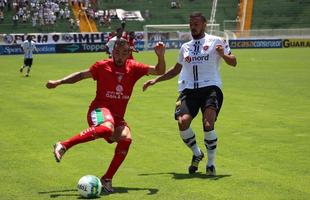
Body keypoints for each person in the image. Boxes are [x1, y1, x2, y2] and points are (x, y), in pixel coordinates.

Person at [46, 38, 166, 192]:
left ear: (129, 53)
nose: (120, 56)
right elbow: (81, 75)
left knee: (126, 138)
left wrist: (160, 56)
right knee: (107, 127)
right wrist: (59, 81)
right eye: (117, 52)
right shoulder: (102, 66)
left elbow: (159, 71)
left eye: (124, 53)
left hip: (117, 117)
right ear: (112, 51)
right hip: (98, 110)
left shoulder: (134, 67)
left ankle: (107, 179)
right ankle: (63, 145)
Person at [143, 12, 237, 176]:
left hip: (210, 88)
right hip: (188, 90)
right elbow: (176, 70)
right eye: (191, 24)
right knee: (182, 122)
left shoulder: (216, 41)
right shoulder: (185, 47)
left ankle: (210, 163)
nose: (193, 26)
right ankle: (196, 153)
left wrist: (223, 55)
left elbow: (233, 62)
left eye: (196, 23)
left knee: (208, 124)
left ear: (204, 24)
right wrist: (156, 80)